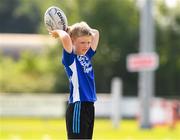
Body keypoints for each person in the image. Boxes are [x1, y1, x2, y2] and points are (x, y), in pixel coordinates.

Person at [50, 21, 99, 139]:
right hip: (78, 106)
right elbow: (66, 38)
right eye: (82, 42)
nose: (86, 45)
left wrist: (72, 29)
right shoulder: (70, 59)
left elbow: (96, 33)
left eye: (88, 42)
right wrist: (59, 31)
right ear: (72, 41)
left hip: (89, 107)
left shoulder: (86, 55)